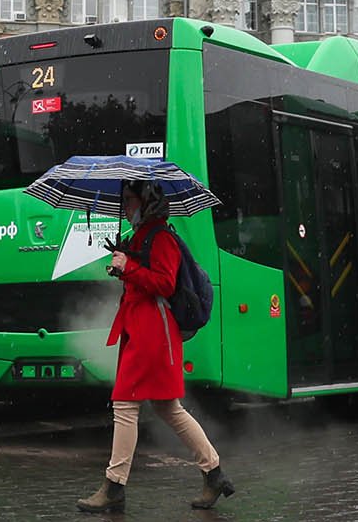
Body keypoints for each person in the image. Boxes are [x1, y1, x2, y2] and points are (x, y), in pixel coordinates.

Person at [77, 181, 235, 513]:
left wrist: (129, 267)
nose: (125, 207)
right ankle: (214, 473)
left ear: (147, 201)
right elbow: (143, 277)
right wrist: (124, 265)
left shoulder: (161, 237)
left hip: (152, 332)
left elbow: (164, 282)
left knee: (125, 405)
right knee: (168, 408)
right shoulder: (142, 236)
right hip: (143, 329)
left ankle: (114, 486)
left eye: (129, 200)